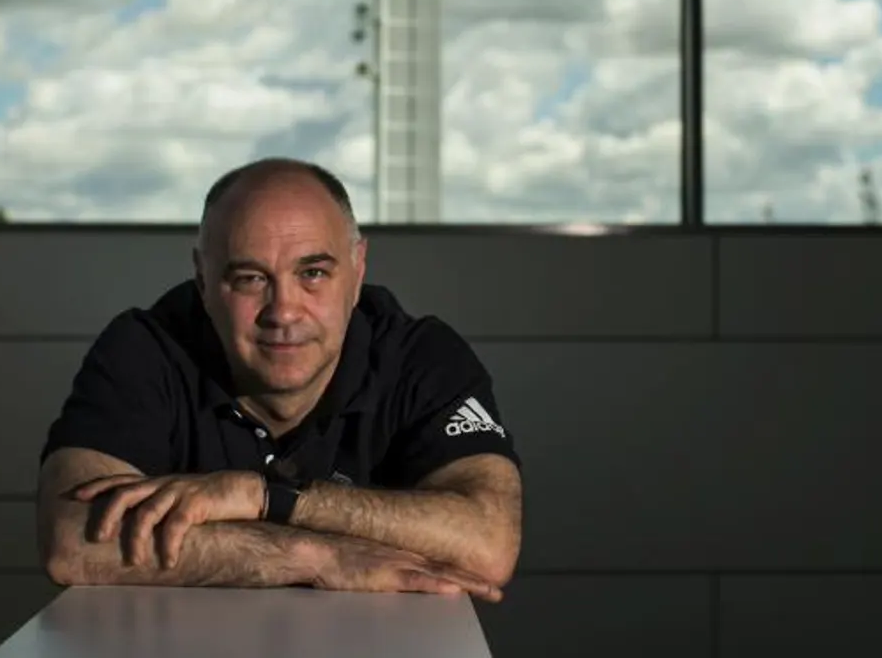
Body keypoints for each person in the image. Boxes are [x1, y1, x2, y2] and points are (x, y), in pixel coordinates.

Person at [34, 158, 522, 601]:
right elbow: (74, 539)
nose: (283, 311)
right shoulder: (146, 349)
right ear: (203, 281)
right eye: (250, 278)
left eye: (313, 272)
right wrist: (319, 557)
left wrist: (263, 497)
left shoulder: (422, 358)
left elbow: (488, 544)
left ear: (358, 270)